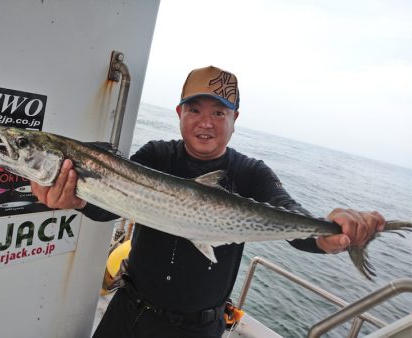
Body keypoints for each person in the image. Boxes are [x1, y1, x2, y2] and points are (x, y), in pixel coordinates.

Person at [31, 66, 385, 338]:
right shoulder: (156, 155)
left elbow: (291, 218)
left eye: (219, 112)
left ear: (235, 119)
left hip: (199, 328)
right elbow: (109, 204)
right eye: (194, 110)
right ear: (179, 113)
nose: (205, 123)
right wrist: (76, 200)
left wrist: (327, 233)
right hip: (130, 313)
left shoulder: (250, 173)